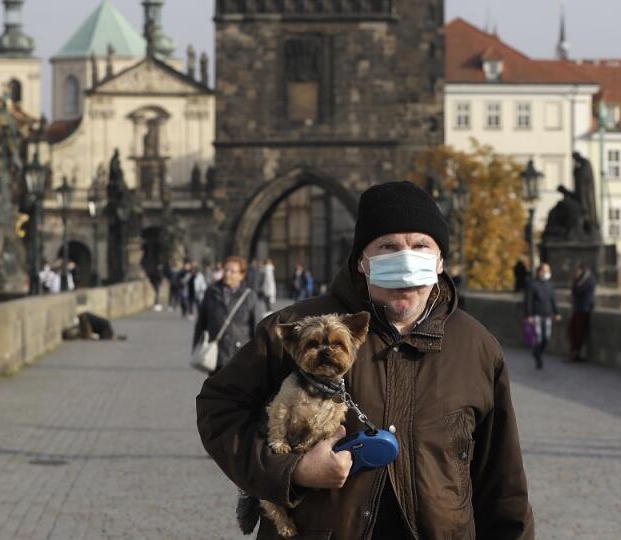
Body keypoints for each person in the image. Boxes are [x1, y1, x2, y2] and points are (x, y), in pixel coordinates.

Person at [197, 181, 534, 538]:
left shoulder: (477, 347)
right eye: (387, 247)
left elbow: (503, 485)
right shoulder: (293, 331)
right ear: (362, 261)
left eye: (420, 246)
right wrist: (293, 470)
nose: (405, 259)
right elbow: (218, 409)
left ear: (439, 262)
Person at [193, 256, 262, 376]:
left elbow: (257, 329)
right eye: (225, 270)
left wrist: (258, 356)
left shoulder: (250, 296)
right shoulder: (211, 292)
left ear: (242, 275)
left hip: (241, 356)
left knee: (239, 393)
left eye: (232, 271)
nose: (227, 274)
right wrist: (197, 347)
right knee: (216, 393)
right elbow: (201, 323)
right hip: (216, 355)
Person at [524, 262, 560, 370]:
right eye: (545, 270)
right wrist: (529, 315)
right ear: (539, 271)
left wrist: (556, 312)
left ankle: (536, 352)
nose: (547, 273)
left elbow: (553, 300)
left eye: (548, 270)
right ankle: (538, 358)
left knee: (546, 338)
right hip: (536, 315)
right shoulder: (533, 284)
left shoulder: (549, 284)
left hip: (547, 314)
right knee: (538, 338)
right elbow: (528, 301)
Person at [569, 262, 597, 362]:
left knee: (579, 332)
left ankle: (576, 353)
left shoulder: (588, 279)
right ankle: (574, 352)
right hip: (578, 308)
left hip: (584, 308)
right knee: (573, 330)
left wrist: (575, 281)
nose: (576, 272)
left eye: (577, 270)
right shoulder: (581, 280)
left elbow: (577, 291)